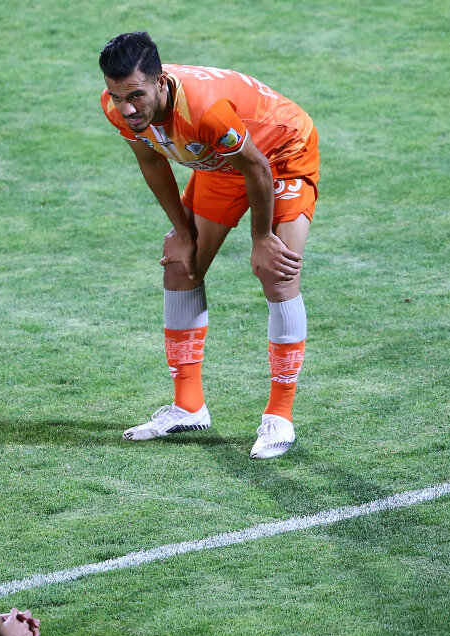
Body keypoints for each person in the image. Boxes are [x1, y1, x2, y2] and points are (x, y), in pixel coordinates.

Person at [99, 32, 319, 458]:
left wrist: (261, 238)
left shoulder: (203, 108)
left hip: (281, 155)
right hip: (224, 165)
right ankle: (188, 406)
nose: (127, 109)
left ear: (161, 82)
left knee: (276, 272)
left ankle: (280, 417)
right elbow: (151, 162)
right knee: (180, 266)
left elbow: (257, 167)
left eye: (136, 96)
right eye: (117, 96)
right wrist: (181, 233)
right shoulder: (117, 108)